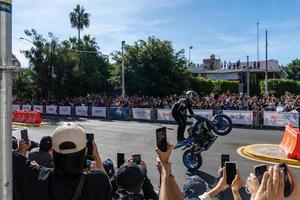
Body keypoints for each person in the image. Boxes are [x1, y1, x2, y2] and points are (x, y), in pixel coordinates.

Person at [13, 122, 112, 200]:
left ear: (52, 151)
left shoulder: (38, 177)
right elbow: (109, 190)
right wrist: (97, 157)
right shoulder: (98, 181)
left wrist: (22, 151)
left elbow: (17, 166)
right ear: (86, 151)